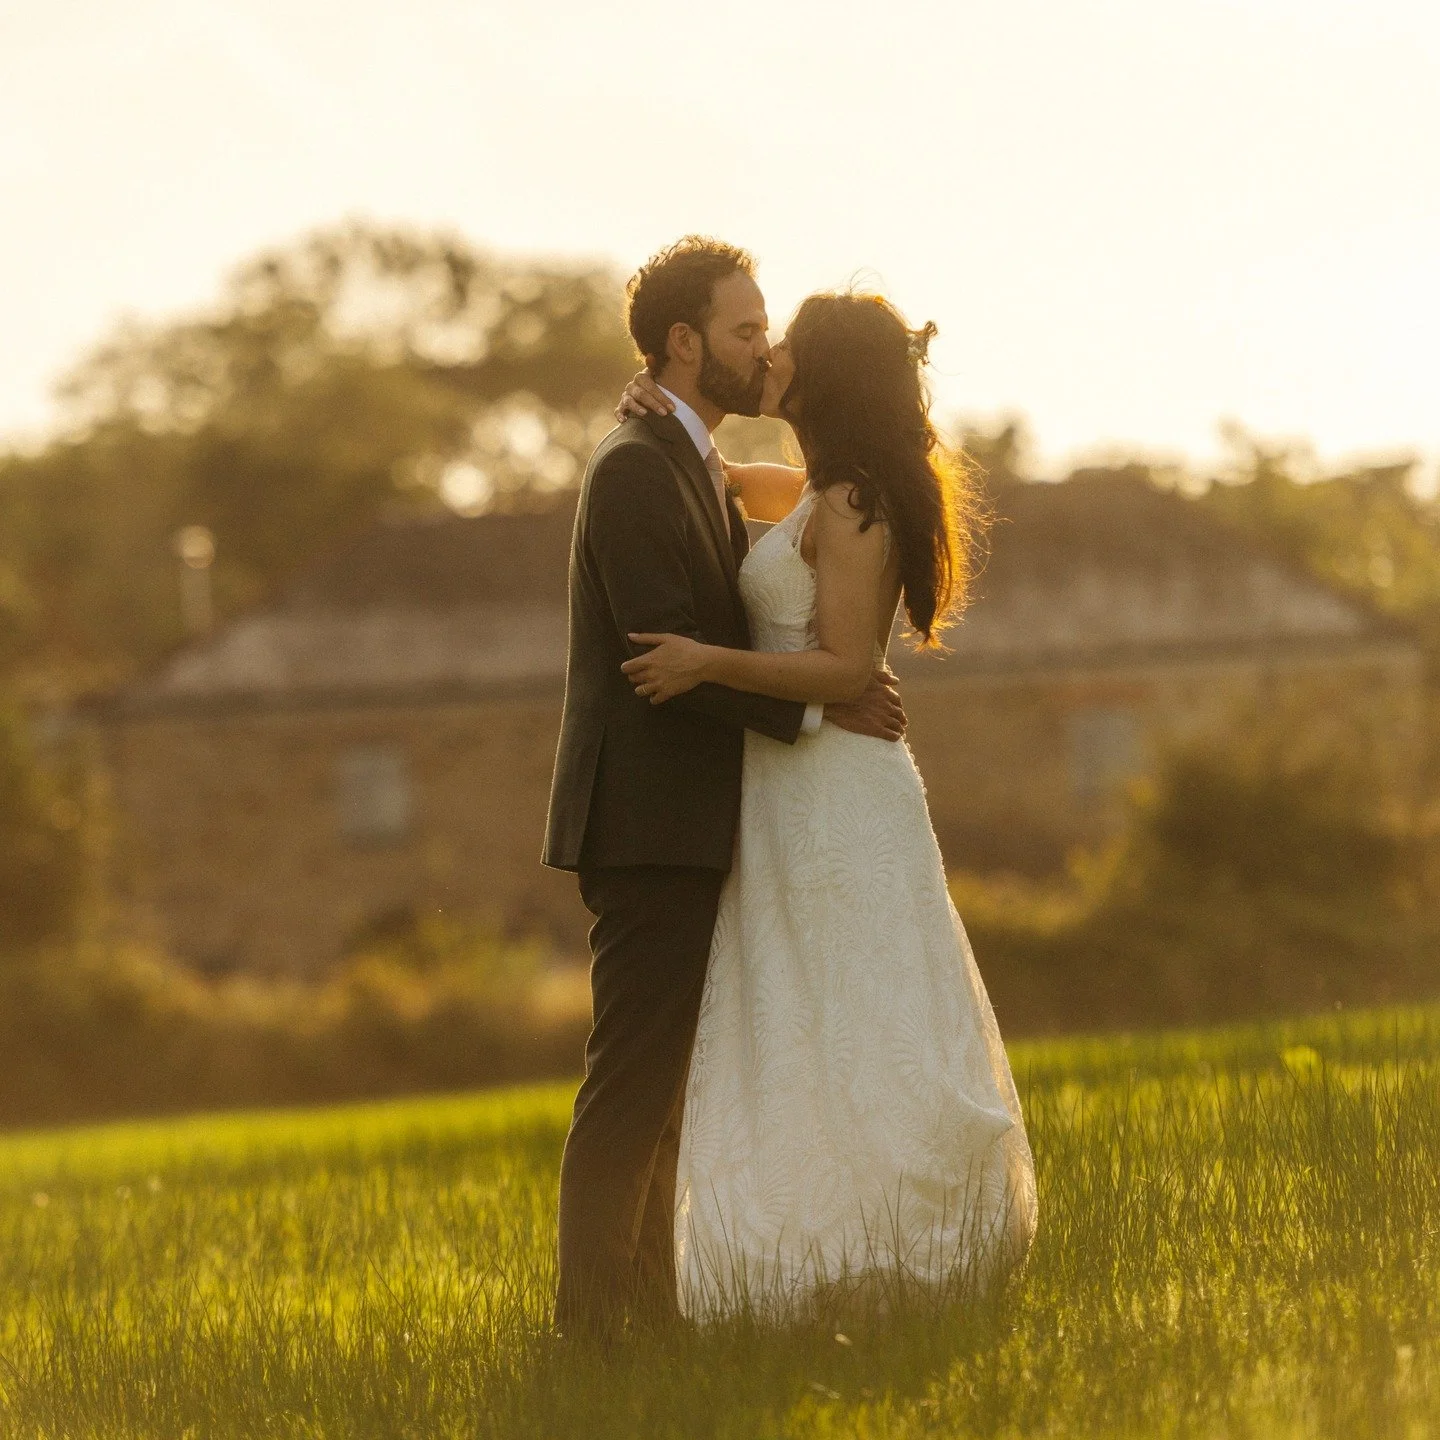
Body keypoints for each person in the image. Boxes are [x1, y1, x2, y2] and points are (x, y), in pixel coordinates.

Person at [615, 288, 1038, 1321]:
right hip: (788, 787)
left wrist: (704, 660)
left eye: (786, 344)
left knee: (859, 1011)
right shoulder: (818, 490)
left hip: (837, 793)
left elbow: (847, 666)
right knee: (801, 1014)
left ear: (826, 373)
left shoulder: (852, 503)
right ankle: (820, 1246)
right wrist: (653, 401)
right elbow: (714, 476)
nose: (768, 355)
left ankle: (897, 1249)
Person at [542, 237, 907, 1340]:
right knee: (633, 1087)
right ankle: (590, 1334)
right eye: (746, 330)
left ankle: (649, 1322)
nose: (765, 347)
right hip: (645, 823)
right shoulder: (635, 467)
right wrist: (820, 707)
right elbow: (662, 659)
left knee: (667, 1095)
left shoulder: (689, 457)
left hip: (687, 819)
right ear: (685, 343)